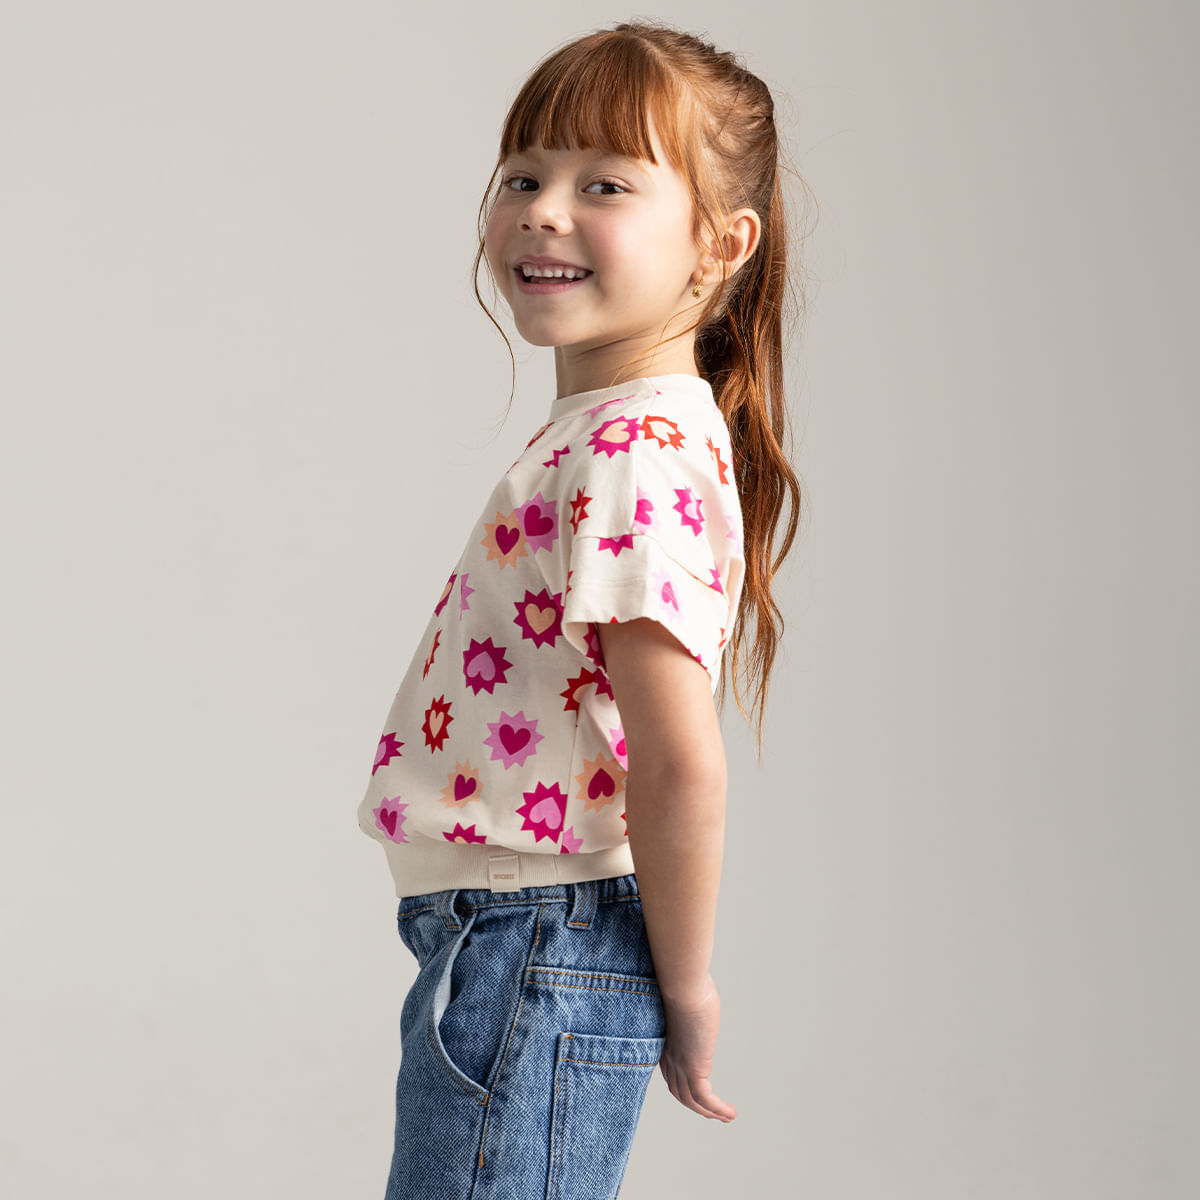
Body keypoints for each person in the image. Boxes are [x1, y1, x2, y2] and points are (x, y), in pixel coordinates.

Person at [357, 19, 803, 1199]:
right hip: (513, 940)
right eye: (524, 176)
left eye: (604, 184)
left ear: (720, 246)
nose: (544, 211)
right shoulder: (610, 433)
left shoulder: (633, 449)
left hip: (538, 942)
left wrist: (686, 983)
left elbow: (678, 758)